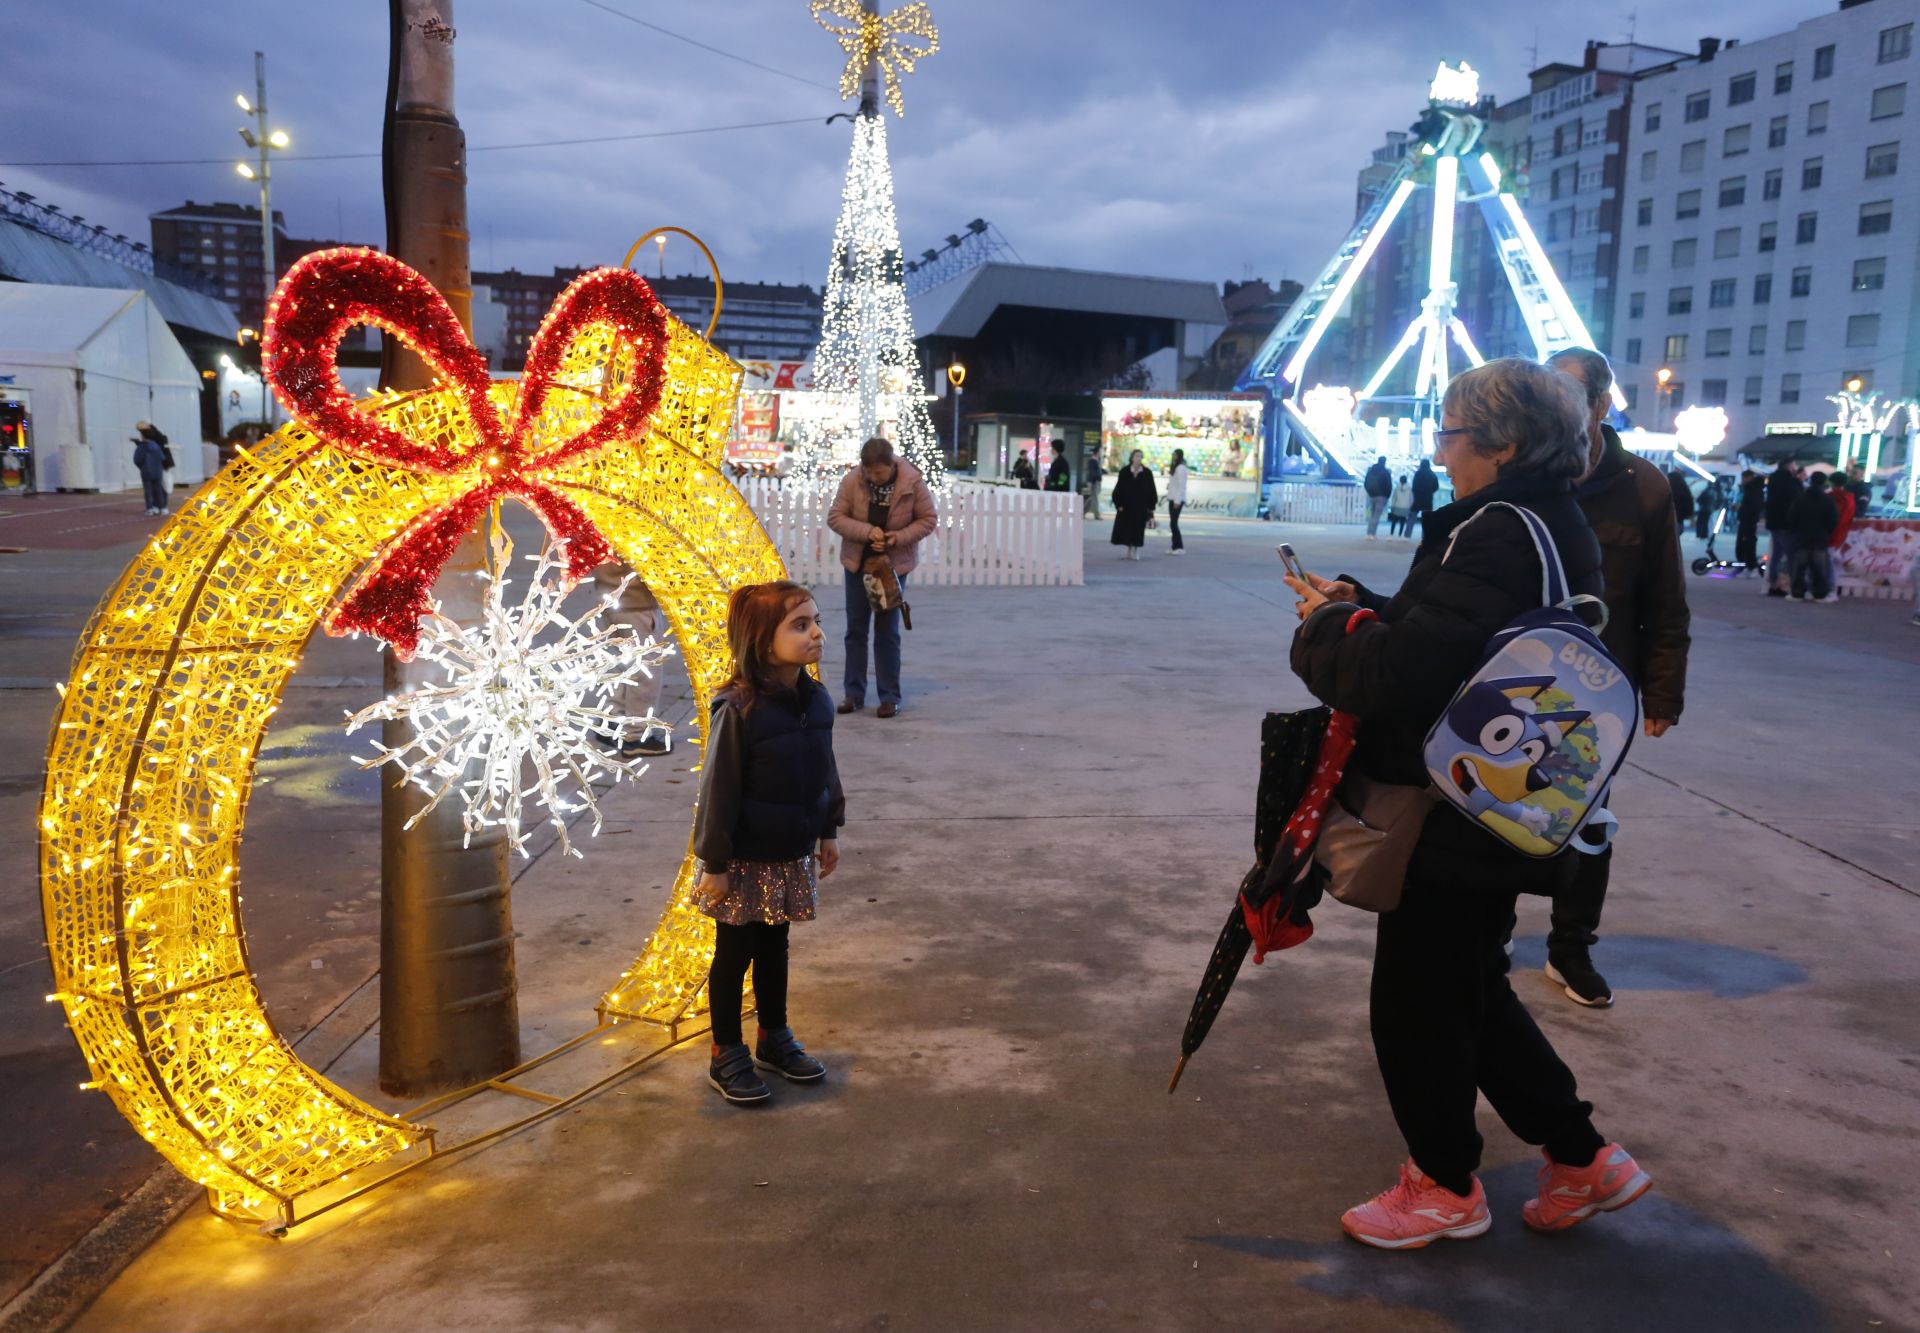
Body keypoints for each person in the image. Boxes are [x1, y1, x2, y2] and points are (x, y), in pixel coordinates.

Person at [1286, 358, 1650, 1251]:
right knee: (1471, 988)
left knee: (1417, 1000)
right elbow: (1461, 640)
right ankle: (1580, 1158)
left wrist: (1324, 632)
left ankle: (1445, 1183)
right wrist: (1366, 604)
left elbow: (1403, 676)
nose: (1440, 453)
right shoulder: (1552, 522)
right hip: (1513, 796)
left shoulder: (1493, 530)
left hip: (1459, 807)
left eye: (1449, 435)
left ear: (1503, 444)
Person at [1547, 347, 1690, 1007]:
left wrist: (1662, 694)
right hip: (1515, 677)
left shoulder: (1645, 486)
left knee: (1589, 818)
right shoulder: (1520, 471)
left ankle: (1570, 947)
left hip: (1602, 687)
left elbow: (1666, 601)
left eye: (1571, 399)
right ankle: (1487, 932)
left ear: (1601, 406)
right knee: (1495, 807)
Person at [691, 580, 844, 1105]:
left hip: (792, 849)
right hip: (741, 857)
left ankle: (773, 1036)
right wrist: (714, 860)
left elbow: (826, 769)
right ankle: (725, 1050)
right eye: (799, 626)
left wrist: (828, 828)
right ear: (761, 640)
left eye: (816, 621)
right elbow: (718, 789)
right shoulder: (739, 709)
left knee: (776, 944)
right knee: (734, 953)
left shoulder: (815, 698)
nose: (816, 633)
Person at [827, 436, 938, 718]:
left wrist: (895, 538)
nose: (875, 478)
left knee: (887, 632)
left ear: (892, 465)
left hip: (892, 568)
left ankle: (889, 696)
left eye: (880, 473)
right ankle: (854, 693)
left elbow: (928, 519)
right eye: (870, 473)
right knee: (856, 631)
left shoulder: (912, 482)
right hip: (857, 565)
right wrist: (867, 532)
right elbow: (836, 517)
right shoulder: (853, 481)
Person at [592, 562, 673, 756]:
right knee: (645, 669)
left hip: (611, 593)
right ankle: (637, 736)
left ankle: (613, 720)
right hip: (635, 599)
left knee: (623, 666)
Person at [1788, 472, 1839, 602]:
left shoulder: (1800, 498)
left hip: (1801, 537)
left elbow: (1791, 517)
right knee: (1819, 568)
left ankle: (1797, 593)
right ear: (1824, 483)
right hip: (1820, 538)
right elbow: (1833, 520)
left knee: (1799, 568)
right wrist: (1826, 532)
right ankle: (1819, 594)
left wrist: (1796, 531)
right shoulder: (1828, 500)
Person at [1764, 459, 1804, 596]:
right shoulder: (1789, 481)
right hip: (1785, 522)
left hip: (1774, 521)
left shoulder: (1773, 479)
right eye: (1794, 465)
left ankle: (1774, 585)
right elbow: (1798, 497)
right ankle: (1794, 586)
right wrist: (1799, 481)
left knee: (1777, 554)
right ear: (1789, 466)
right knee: (1791, 554)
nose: (1796, 467)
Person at [1109, 448, 1157, 560]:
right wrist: (1118, 504)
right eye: (1136, 456)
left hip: (1140, 507)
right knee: (1126, 528)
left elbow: (1151, 490)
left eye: (1140, 456)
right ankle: (1128, 549)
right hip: (1127, 507)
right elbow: (1118, 489)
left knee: (1138, 529)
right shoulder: (1125, 472)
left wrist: (1151, 507)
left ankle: (1136, 550)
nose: (1138, 458)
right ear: (1132, 458)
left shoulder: (1147, 473)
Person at [131, 425, 168, 516]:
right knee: (158, 489)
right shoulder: (156, 446)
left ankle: (150, 508)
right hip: (158, 471)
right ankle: (162, 507)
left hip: (146, 471)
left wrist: (141, 466)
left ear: (143, 436)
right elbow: (162, 457)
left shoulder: (141, 447)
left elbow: (137, 459)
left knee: (148, 491)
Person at [1735, 470, 1765, 572]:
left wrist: (1743, 511)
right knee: (1747, 541)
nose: (1742, 481)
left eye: (1743, 478)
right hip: (1748, 519)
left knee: (1747, 541)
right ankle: (1746, 563)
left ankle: (1749, 564)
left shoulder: (1753, 490)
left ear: (1749, 478)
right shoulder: (1753, 489)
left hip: (1748, 520)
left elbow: (1753, 506)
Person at [1165, 447, 1189, 555]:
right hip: (1172, 498)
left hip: (1177, 500)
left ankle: (1179, 547)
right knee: (1172, 523)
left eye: (1175, 455)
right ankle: (1174, 546)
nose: (1173, 456)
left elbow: (1182, 486)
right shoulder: (1175, 467)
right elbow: (1175, 483)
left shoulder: (1181, 468)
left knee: (1174, 523)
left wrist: (1177, 500)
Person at [1363, 455, 1393, 539]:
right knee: (1376, 516)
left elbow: (1365, 482)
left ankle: (1369, 533)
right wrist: (1387, 495)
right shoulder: (1386, 472)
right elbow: (1389, 485)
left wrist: (1369, 492)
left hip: (1372, 495)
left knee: (1372, 515)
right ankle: (1372, 534)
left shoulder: (1371, 471)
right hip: (1382, 496)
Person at [1408, 458, 1439, 536]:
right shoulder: (1432, 474)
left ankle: (1407, 534)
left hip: (1417, 498)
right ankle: (1424, 536)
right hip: (1428, 499)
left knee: (1412, 517)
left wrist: (1415, 493)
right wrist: (1430, 492)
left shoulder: (1418, 474)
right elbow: (1436, 486)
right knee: (1426, 519)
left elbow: (1414, 486)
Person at [1667, 467, 1696, 535]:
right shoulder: (1685, 491)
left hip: (1671, 520)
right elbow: (1690, 504)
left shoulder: (1669, 492)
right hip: (1680, 520)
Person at [1083, 450, 1105, 520]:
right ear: (1097, 453)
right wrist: (1090, 482)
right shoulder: (1092, 461)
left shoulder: (1096, 461)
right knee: (1094, 498)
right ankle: (1096, 515)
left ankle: (1082, 512)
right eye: (1100, 452)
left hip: (1096, 481)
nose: (1101, 454)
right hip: (1094, 482)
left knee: (1092, 498)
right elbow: (1091, 473)